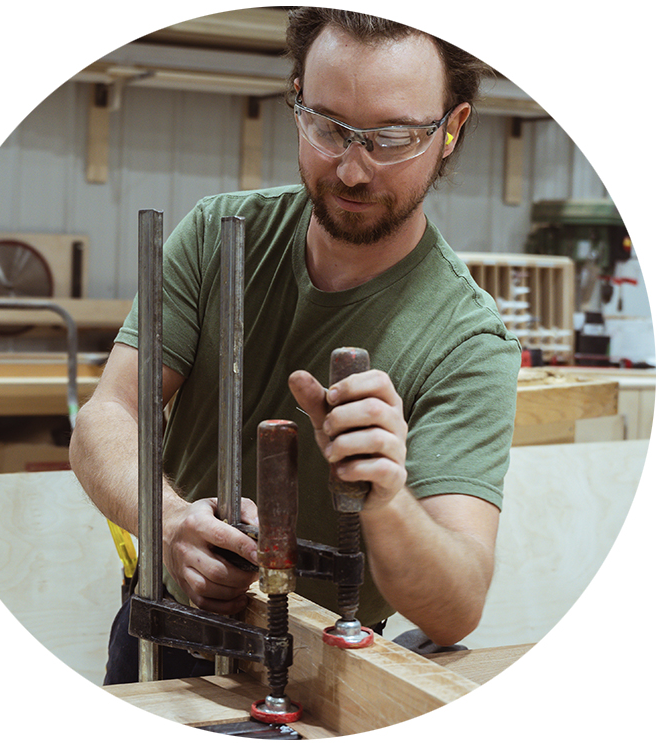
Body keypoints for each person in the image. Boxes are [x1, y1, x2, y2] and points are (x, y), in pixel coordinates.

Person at [69, 8, 521, 685]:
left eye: (392, 137)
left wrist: (386, 496)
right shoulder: (217, 234)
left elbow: (455, 609)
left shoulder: (468, 339)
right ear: (296, 101)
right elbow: (107, 416)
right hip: (165, 630)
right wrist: (169, 523)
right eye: (327, 127)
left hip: (330, 671)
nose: (353, 170)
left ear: (450, 129)